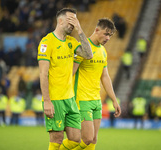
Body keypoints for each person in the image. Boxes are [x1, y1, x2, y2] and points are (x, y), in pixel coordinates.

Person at [37, 8, 93, 150]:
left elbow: (88, 54)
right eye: (71, 20)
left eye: (75, 21)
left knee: (75, 139)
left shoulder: (71, 41)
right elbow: (43, 74)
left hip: (70, 99)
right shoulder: (46, 42)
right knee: (56, 140)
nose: (73, 24)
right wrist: (47, 101)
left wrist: (80, 30)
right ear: (60, 20)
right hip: (54, 99)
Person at [66, 18, 121, 150]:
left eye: (110, 35)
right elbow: (71, 73)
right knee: (87, 138)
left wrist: (114, 99)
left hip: (96, 100)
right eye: (106, 34)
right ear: (97, 30)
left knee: (93, 140)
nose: (108, 38)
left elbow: (105, 76)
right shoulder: (83, 48)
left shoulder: (103, 51)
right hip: (82, 98)